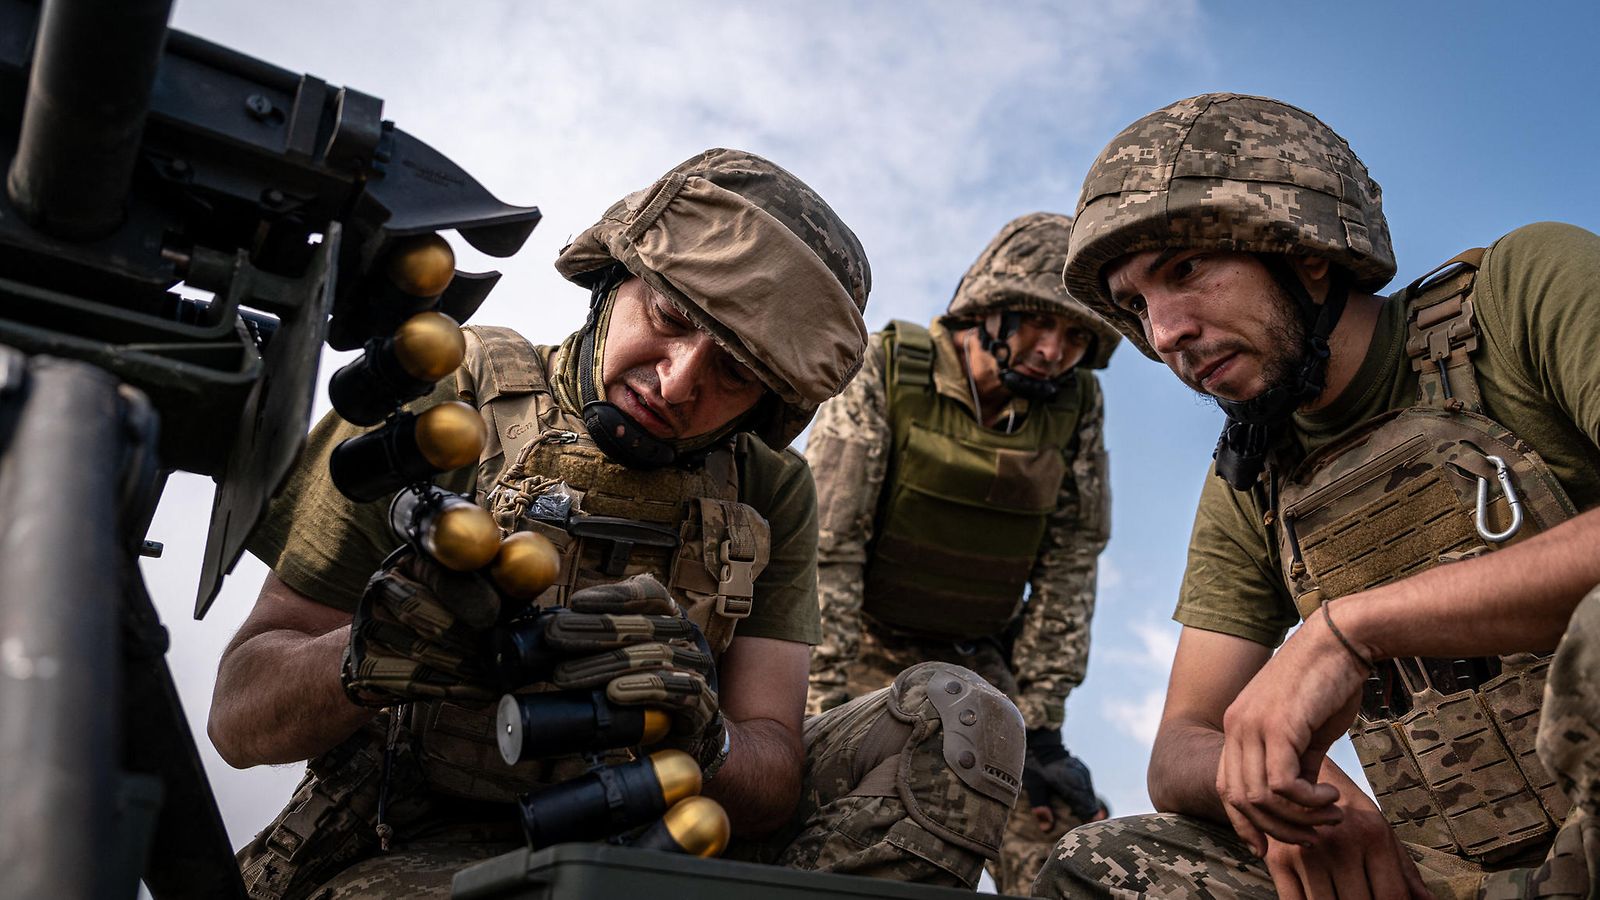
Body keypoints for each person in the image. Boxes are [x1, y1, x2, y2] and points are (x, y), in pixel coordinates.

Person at [207, 149, 1025, 899]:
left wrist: (707, 737)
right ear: (615, 277)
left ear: (771, 399)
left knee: (963, 721)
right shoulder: (444, 393)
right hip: (418, 837)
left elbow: (772, 773)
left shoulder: (768, 490)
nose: (675, 385)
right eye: (668, 318)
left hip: (654, 838)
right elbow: (239, 716)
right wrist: (366, 658)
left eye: (734, 371)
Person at [1034, 93, 1600, 899]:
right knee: (1108, 866)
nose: (1163, 334)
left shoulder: (1522, 290)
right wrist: (1301, 800)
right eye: (1135, 306)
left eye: (1185, 271)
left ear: (1303, 250)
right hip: (1440, 879)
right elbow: (1180, 745)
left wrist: (1347, 633)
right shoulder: (1256, 474)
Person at [803, 212, 1118, 895]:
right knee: (863, 832)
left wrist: (1043, 725)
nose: (1054, 350)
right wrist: (818, 703)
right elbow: (830, 543)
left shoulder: (1076, 408)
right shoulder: (885, 368)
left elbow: (1071, 561)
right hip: (862, 650)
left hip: (980, 663)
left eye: (1075, 336)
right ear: (990, 310)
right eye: (1039, 321)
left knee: (1061, 833)